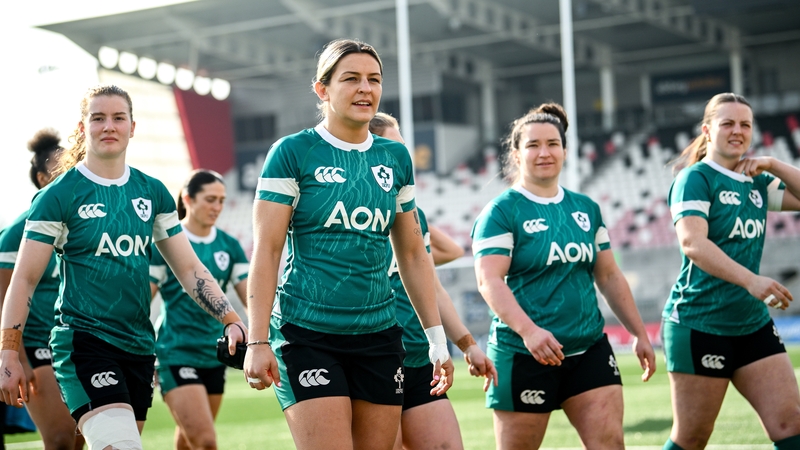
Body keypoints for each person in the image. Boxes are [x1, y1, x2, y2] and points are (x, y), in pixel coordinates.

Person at [0, 84, 247, 450]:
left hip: (138, 347)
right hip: (83, 343)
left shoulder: (153, 192)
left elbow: (188, 267)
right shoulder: (57, 196)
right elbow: (24, 279)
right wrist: (8, 352)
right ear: (83, 128)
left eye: (118, 118)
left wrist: (230, 318)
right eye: (98, 118)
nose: (108, 126)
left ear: (133, 127)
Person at [243, 39, 454, 450]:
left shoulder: (395, 158)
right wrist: (257, 341)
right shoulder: (292, 153)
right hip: (306, 334)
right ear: (322, 89)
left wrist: (436, 340)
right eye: (351, 79)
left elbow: (412, 254)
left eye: (374, 79)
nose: (365, 88)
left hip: (380, 337)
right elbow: (266, 251)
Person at [471, 103, 656, 449]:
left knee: (611, 445)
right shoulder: (501, 212)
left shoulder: (586, 208)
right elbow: (489, 281)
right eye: (533, 145)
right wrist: (530, 332)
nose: (545, 153)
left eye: (552, 144)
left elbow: (610, 276)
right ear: (516, 153)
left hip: (588, 349)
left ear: (565, 150)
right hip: (524, 353)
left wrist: (639, 332)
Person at [662, 93, 800, 450]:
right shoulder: (695, 179)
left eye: (745, 125)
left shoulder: (755, 182)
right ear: (708, 130)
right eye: (727, 123)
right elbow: (693, 243)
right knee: (692, 438)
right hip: (699, 323)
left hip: (752, 323)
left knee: (791, 423)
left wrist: (772, 163)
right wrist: (751, 280)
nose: (737, 131)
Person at [369, 112, 498, 450]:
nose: (401, 157)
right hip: (374, 361)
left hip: (420, 361)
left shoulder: (415, 217)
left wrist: (468, 344)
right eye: (392, 146)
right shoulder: (347, 215)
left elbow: (433, 288)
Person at [150, 169, 249, 450]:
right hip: (176, 352)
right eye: (210, 199)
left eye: (221, 200)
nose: (217, 207)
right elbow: (144, 297)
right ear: (188, 199)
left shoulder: (229, 246)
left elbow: (249, 294)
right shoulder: (166, 243)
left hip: (216, 355)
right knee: (205, 441)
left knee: (188, 439)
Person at [0, 129, 83, 449]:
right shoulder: (17, 234)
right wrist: (16, 357)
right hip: (36, 346)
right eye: (60, 172)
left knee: (80, 438)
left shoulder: (79, 229)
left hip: (75, 344)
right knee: (61, 438)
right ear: (40, 177)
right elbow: (4, 298)